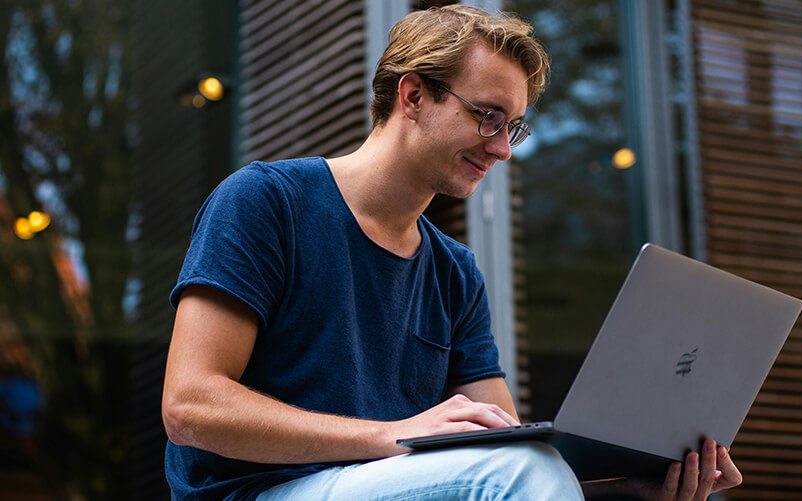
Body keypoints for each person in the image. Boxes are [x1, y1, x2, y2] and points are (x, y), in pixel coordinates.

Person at [161, 5, 742, 500]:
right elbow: (189, 408)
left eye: (514, 127)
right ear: (412, 95)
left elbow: (503, 457)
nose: (502, 149)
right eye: (488, 116)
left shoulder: (454, 271)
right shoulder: (267, 202)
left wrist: (626, 490)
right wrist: (395, 434)